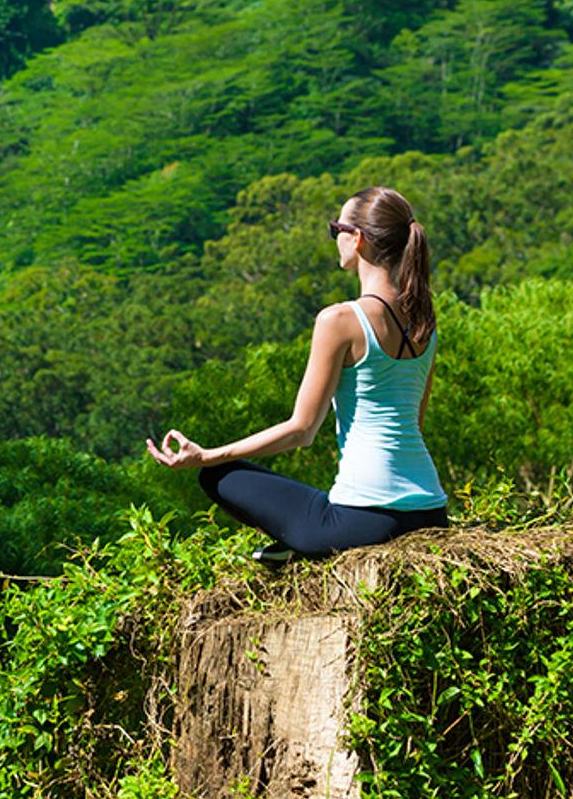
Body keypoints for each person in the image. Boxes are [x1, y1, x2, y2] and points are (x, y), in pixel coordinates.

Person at [144, 186, 448, 564]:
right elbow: (412, 425)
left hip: (362, 521)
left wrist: (207, 456)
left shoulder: (340, 320)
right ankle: (294, 543)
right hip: (432, 514)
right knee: (309, 497)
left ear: (357, 239)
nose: (333, 237)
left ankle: (297, 546)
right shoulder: (425, 326)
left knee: (219, 476)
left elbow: (302, 431)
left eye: (335, 228)